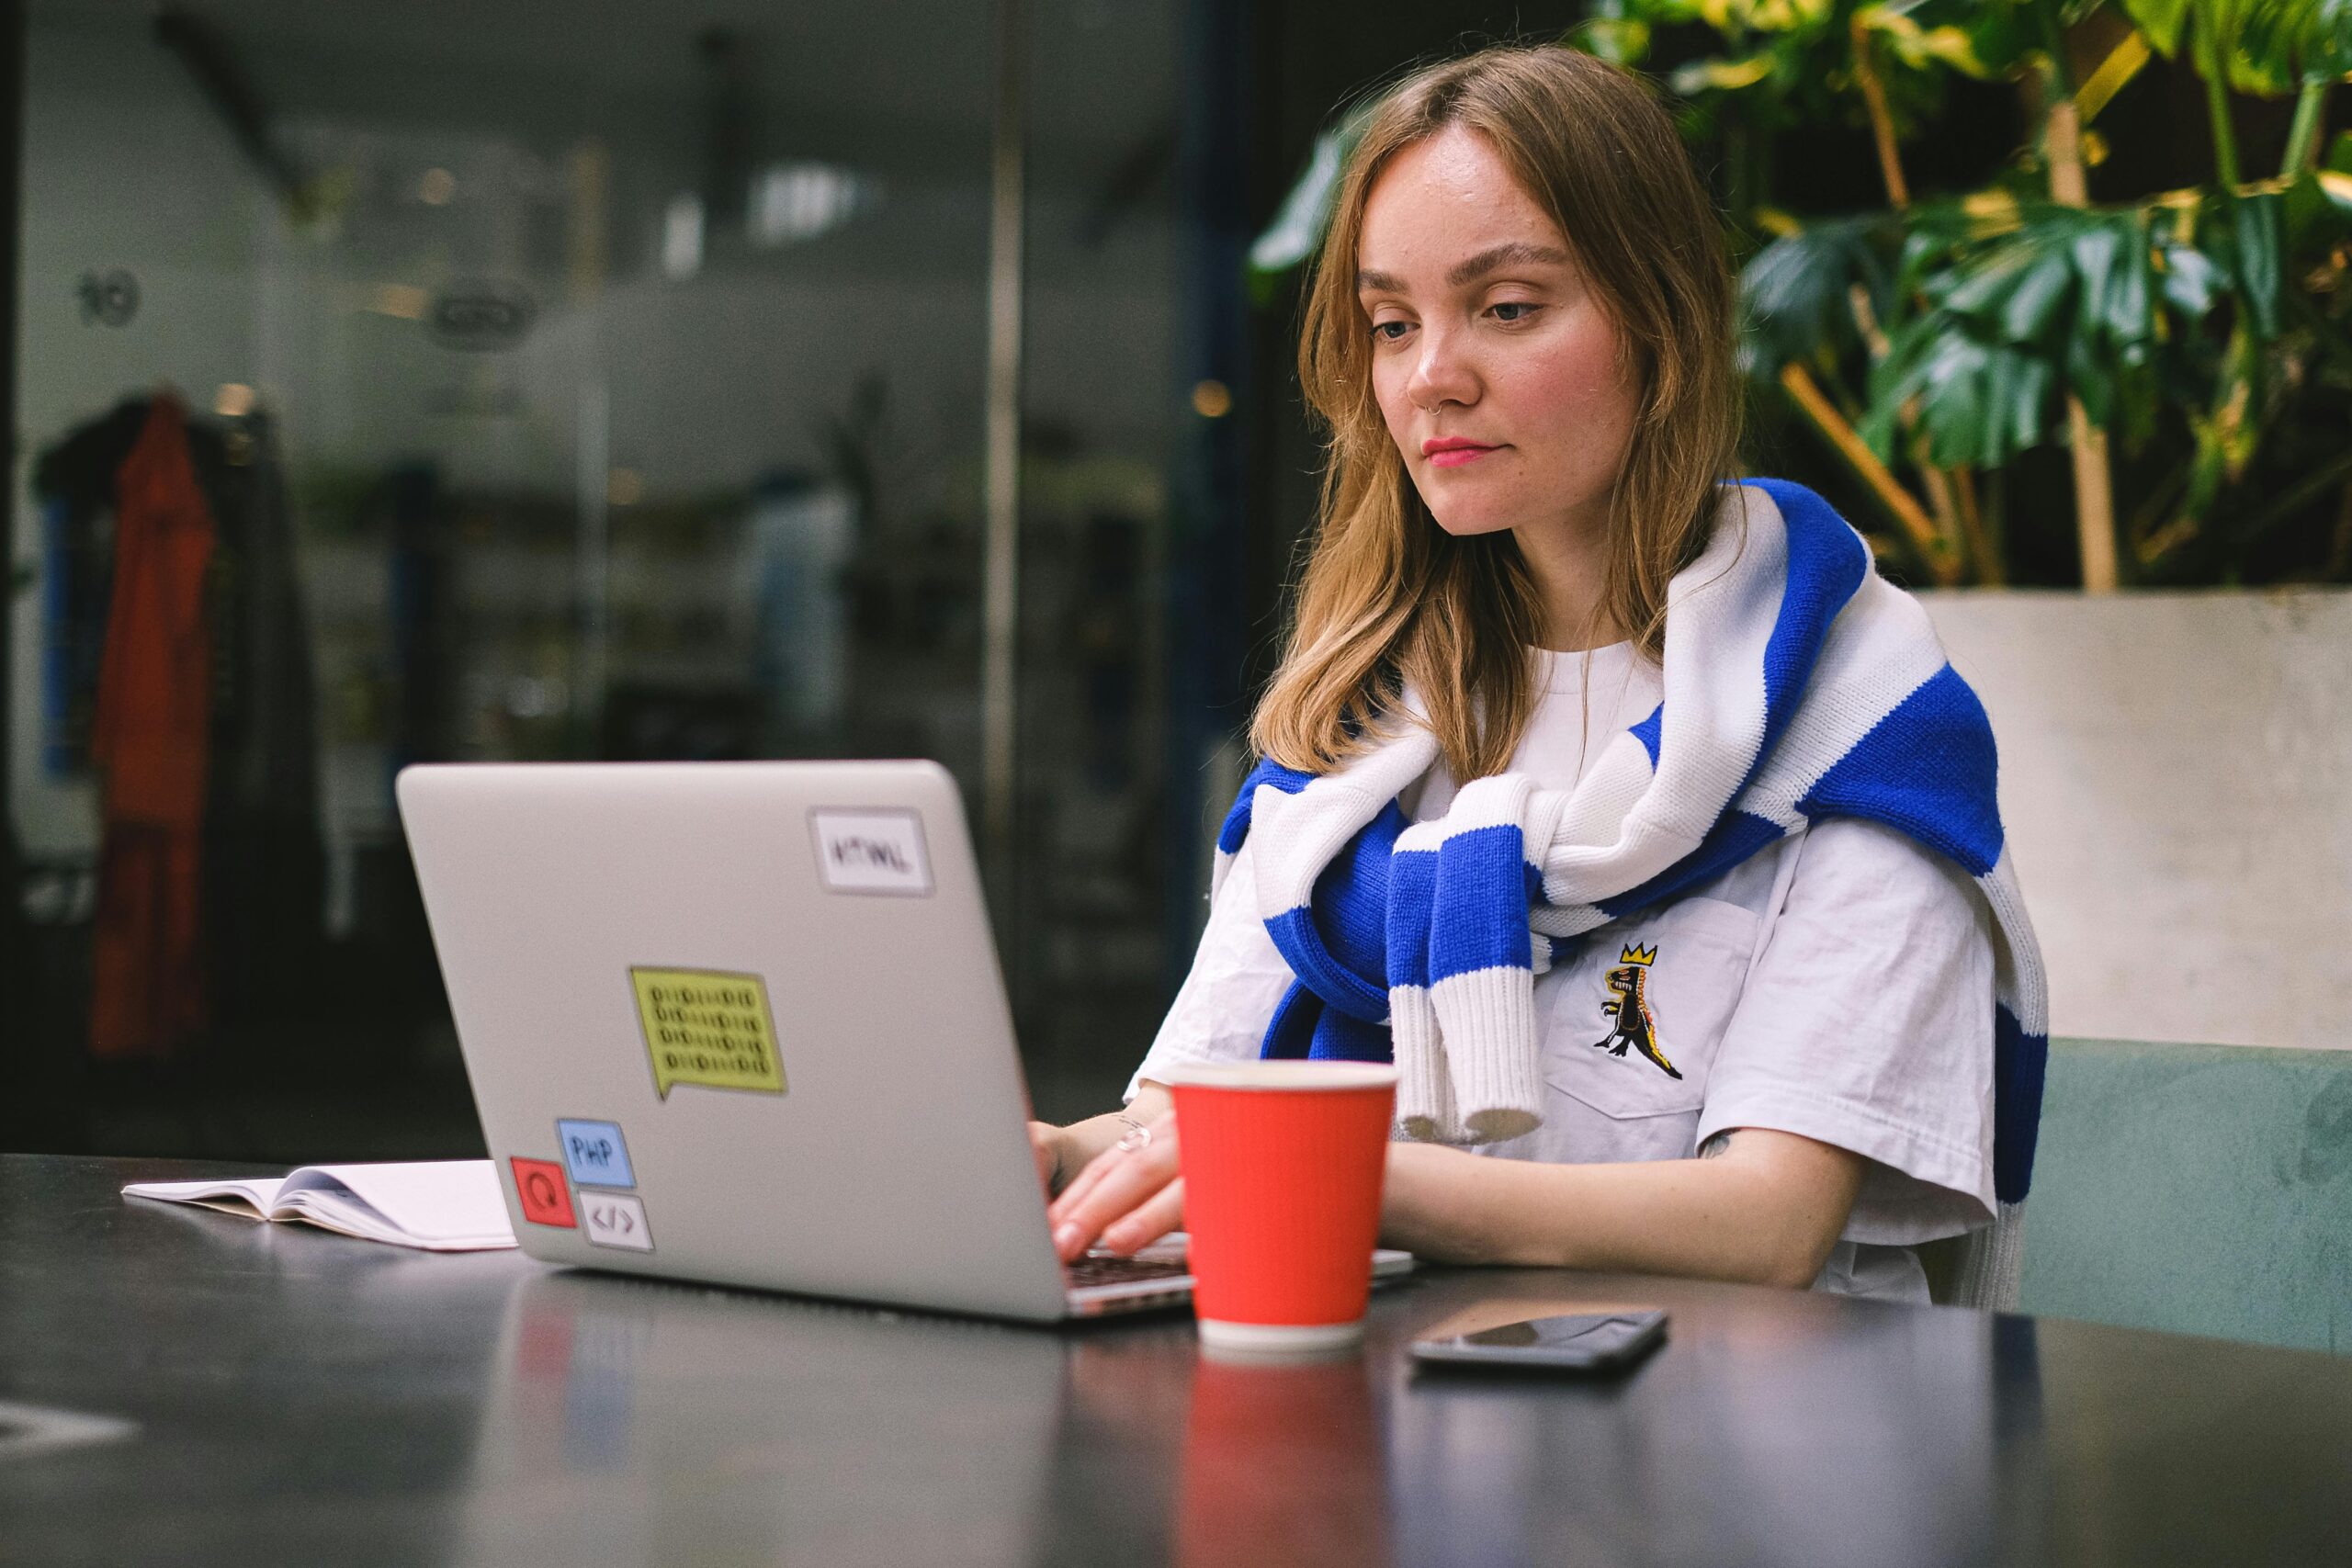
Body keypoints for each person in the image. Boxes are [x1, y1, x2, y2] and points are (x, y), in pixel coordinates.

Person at [1029, 44, 2044, 1303]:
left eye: (1506, 308)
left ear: (1661, 325)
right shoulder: (1352, 744)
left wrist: (1354, 1175)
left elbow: (1771, 1222)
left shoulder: (1856, 723)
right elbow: (1186, 1124)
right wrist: (1052, 1159)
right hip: (1378, 1434)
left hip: (1742, 1453)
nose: (1430, 378)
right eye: (1392, 324)